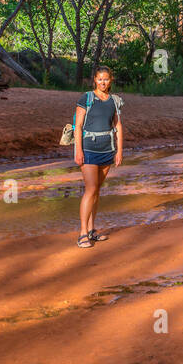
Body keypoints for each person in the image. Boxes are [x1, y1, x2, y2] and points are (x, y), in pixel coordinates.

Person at [72, 66, 123, 247]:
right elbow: (77, 127)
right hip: (89, 150)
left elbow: (118, 126)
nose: (103, 82)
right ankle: (82, 233)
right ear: (95, 79)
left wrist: (119, 151)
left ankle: (92, 230)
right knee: (90, 189)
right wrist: (78, 151)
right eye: (100, 79)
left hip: (107, 150)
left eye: (106, 79)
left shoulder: (114, 101)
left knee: (97, 191)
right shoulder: (86, 98)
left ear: (111, 80)